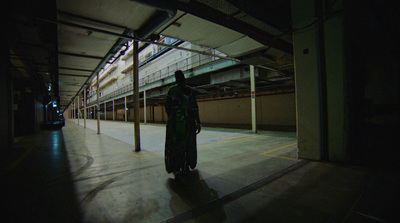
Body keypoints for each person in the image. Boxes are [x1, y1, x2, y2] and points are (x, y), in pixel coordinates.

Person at [165, 70, 201, 177]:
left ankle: (177, 167)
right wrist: (198, 122)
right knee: (187, 144)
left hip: (176, 122)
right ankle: (187, 164)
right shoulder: (189, 90)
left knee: (175, 145)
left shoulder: (172, 90)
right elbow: (194, 108)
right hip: (187, 122)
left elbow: (167, 107)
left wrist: (171, 120)